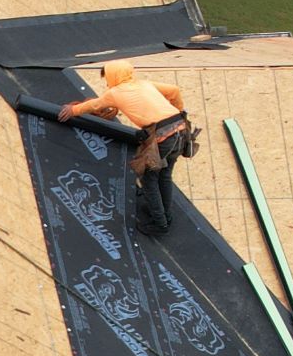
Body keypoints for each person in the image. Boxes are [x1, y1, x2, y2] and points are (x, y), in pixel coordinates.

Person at [57, 59, 195, 236]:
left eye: (107, 78)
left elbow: (94, 105)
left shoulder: (115, 93)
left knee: (148, 178)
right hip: (182, 130)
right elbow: (174, 90)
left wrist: (72, 110)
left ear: (114, 76)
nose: (107, 82)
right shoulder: (145, 84)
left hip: (163, 136)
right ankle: (165, 216)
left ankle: (160, 223)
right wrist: (179, 111)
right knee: (164, 175)